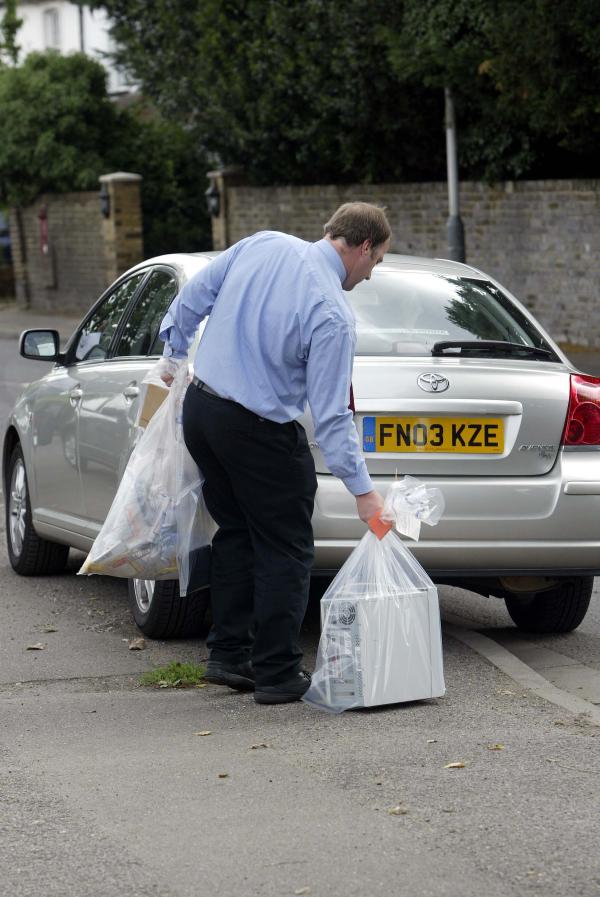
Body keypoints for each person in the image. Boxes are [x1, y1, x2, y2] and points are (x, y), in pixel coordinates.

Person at [158, 202, 391, 704]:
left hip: (202, 410)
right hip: (258, 431)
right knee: (286, 548)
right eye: (375, 264)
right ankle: (278, 673)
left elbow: (194, 293)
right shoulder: (332, 313)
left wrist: (174, 352)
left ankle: (228, 655)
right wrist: (364, 493)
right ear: (364, 246)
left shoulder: (263, 243)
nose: (370, 276)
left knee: (237, 532)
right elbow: (330, 418)